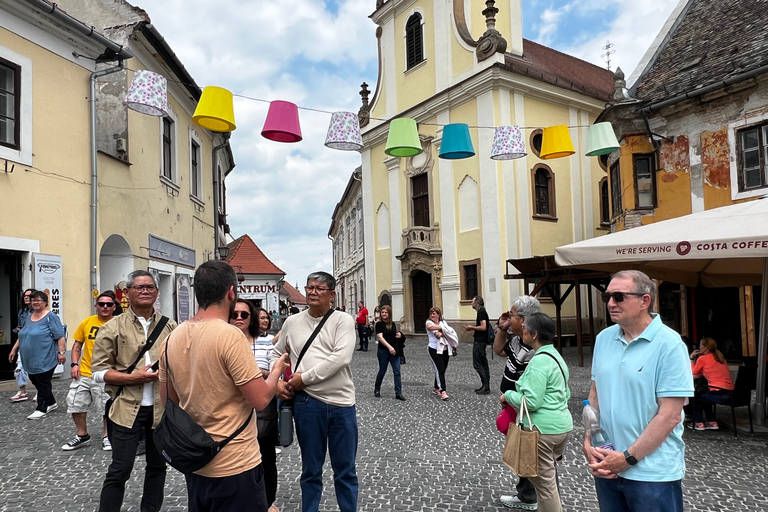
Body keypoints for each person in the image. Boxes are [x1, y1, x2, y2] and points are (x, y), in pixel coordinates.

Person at [160, 261, 287, 512]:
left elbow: (168, 402)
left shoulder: (172, 336)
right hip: (235, 462)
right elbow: (260, 399)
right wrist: (276, 372)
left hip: (195, 459)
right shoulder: (230, 336)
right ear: (231, 292)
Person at [584, 270, 693, 512]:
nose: (611, 303)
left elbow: (670, 415)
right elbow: (595, 395)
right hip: (608, 465)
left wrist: (627, 458)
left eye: (619, 296)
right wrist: (589, 440)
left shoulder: (670, 344)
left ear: (645, 301)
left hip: (652, 474)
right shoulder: (604, 338)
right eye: (607, 297)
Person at [272, 271, 358, 512]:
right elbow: (276, 353)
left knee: (345, 471)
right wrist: (276, 380)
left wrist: (304, 379)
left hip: (341, 404)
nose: (312, 292)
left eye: (319, 288)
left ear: (332, 295)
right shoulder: (292, 322)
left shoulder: (342, 320)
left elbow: (340, 358)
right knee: (310, 470)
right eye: (310, 287)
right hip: (307, 405)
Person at [91, 270, 177, 512]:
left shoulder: (170, 326)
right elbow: (97, 372)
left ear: (157, 292)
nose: (145, 290)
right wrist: (133, 378)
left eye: (150, 287)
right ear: (127, 293)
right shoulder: (112, 327)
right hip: (126, 409)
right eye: (139, 287)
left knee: (158, 467)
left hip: (161, 411)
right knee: (120, 469)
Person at [501, 312, 572, 512]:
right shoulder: (555, 357)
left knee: (546, 487)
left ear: (534, 334)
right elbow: (566, 393)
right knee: (544, 486)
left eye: (525, 328)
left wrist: (508, 395)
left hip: (542, 431)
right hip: (561, 427)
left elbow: (531, 401)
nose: (522, 330)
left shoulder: (539, 362)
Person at [230, 300, 281, 512]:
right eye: (235, 314)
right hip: (231, 411)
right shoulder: (223, 341)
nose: (239, 318)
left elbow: (273, 374)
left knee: (266, 457)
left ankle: (268, 501)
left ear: (251, 318)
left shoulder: (265, 343)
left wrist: (258, 375)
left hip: (261, 410)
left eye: (244, 314)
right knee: (235, 460)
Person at [494, 295, 541, 509]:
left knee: (527, 448)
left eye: (511, 314)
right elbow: (498, 350)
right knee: (520, 448)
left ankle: (529, 497)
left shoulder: (534, 348)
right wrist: (503, 328)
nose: (507, 316)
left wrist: (511, 398)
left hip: (522, 406)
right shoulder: (517, 339)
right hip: (513, 404)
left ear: (523, 319)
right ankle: (525, 493)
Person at [61, 291, 118, 451]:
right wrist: (74, 364)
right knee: (75, 404)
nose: (105, 307)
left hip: (107, 374)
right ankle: (82, 434)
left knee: (106, 407)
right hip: (85, 372)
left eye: (108, 304)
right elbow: (77, 345)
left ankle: (107, 436)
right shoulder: (87, 322)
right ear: (96, 306)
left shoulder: (119, 323)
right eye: (101, 304)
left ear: (114, 307)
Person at [9, 290, 66, 420]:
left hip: (45, 356)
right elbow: (22, 334)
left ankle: (42, 408)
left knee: (43, 381)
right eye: (33, 300)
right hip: (30, 357)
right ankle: (51, 402)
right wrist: (14, 349)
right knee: (35, 379)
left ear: (45, 302)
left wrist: (61, 353)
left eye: (37, 300)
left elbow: (60, 336)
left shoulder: (51, 317)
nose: (34, 302)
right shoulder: (28, 317)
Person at [689, 337, 734, 431]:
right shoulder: (720, 357)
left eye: (700, 345)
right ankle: (711, 421)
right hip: (730, 392)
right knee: (704, 395)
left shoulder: (703, 358)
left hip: (718, 393)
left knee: (694, 395)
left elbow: (692, 372)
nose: (699, 347)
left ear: (706, 347)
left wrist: (691, 358)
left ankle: (698, 422)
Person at [373, 305, 406, 401]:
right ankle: (377, 389)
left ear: (389, 313)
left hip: (394, 352)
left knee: (397, 371)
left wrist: (399, 335)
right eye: (382, 312)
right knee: (382, 371)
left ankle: (398, 393)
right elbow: (380, 337)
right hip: (383, 351)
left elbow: (394, 335)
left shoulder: (393, 324)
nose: (384, 314)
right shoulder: (379, 324)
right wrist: (389, 347)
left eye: (386, 312)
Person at [426, 306, 458, 401]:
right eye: (431, 313)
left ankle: (436, 387)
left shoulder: (443, 322)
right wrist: (443, 329)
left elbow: (449, 333)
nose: (432, 315)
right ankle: (443, 391)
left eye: (434, 313)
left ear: (438, 315)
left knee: (443, 369)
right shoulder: (429, 322)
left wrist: (443, 330)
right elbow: (430, 328)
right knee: (439, 369)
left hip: (444, 348)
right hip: (433, 349)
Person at [9, 289, 35, 403]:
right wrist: (14, 348)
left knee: (37, 369)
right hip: (24, 343)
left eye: (29, 296)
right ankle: (22, 391)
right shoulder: (22, 312)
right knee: (19, 368)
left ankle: (41, 391)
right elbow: (21, 332)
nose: (26, 297)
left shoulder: (38, 311)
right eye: (25, 295)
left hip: (36, 344)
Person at [465, 295, 491, 395]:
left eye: (472, 301)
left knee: (477, 364)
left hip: (480, 341)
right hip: (482, 341)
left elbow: (483, 327)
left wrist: (472, 327)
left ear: (477, 303)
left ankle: (485, 385)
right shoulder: (482, 311)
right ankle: (485, 385)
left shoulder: (481, 312)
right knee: (483, 362)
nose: (471, 303)